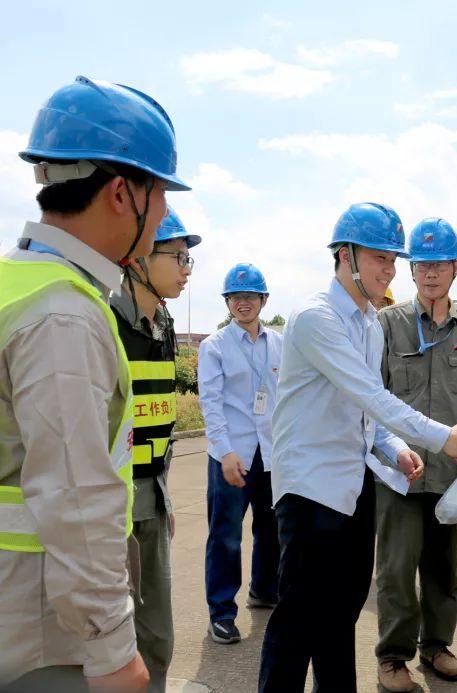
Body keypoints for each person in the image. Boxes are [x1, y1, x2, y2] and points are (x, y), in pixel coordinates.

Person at [0, 75, 189, 691]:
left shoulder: (18, 283)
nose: (162, 214)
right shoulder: (63, 314)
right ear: (120, 193)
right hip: (38, 631)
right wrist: (110, 647)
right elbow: (75, 495)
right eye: (160, 194)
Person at [258, 203, 457, 693]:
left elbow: (367, 413)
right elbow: (372, 395)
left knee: (341, 615)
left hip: (354, 488)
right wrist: (444, 437)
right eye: (380, 257)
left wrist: (396, 447)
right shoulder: (316, 318)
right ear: (345, 256)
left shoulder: (368, 323)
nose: (390, 270)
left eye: (393, 259)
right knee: (298, 620)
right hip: (310, 490)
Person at [374, 218, 457, 692]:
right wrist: (390, 449)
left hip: (450, 473)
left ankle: (437, 645)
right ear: (411, 270)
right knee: (396, 569)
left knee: (444, 568)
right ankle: (393, 656)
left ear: (455, 269)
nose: (430, 273)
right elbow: (372, 396)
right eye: (422, 265)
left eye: (440, 264)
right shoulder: (388, 325)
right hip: (399, 473)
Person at [110, 207, 200, 691]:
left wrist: (164, 498)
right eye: (178, 257)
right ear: (139, 257)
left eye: (188, 260)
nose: (186, 269)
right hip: (109, 507)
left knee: (158, 637)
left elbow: (156, 422)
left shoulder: (163, 324)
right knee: (108, 639)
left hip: (151, 499)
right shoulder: (103, 318)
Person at [197, 263, 283, 644]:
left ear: (264, 300)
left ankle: (263, 590)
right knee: (226, 536)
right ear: (227, 302)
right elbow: (211, 404)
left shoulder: (279, 343)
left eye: (250, 296)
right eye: (235, 297)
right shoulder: (214, 346)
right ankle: (221, 612)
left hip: (270, 452)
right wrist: (226, 452)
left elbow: (286, 396)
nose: (242, 303)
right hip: (232, 455)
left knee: (271, 529)